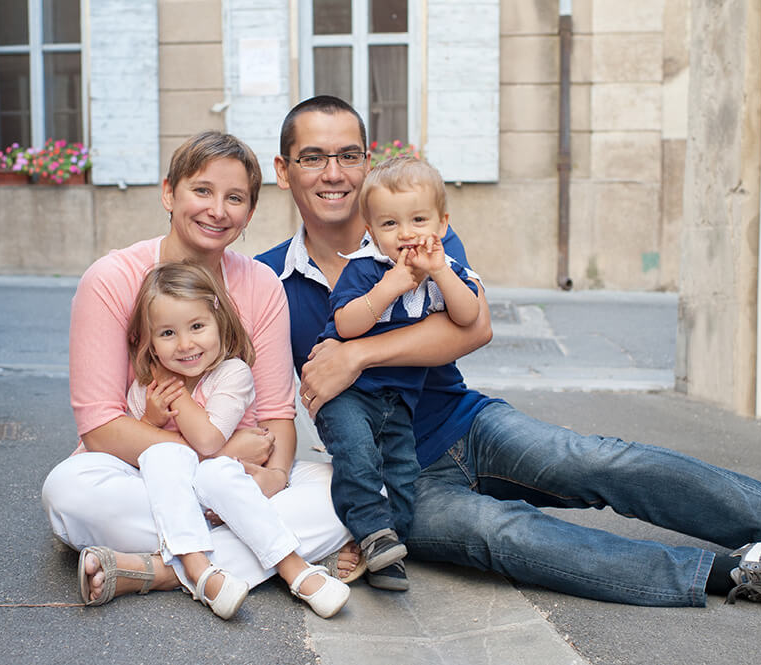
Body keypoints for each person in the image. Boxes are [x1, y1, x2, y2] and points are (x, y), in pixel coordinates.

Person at [257, 95, 761, 609]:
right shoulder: (265, 281)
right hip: (397, 477)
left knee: (596, 459)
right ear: (284, 171)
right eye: (313, 157)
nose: (334, 172)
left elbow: (471, 329)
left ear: (367, 164)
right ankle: (745, 570)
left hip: (466, 421)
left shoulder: (412, 227)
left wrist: (355, 356)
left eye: (348, 154)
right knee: (506, 535)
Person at [41, 130, 363, 619]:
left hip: (237, 477)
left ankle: (161, 570)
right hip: (139, 472)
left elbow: (277, 412)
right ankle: (265, 551)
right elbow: (101, 424)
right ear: (169, 193)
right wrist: (218, 451)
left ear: (250, 213)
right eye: (202, 191)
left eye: (235, 198)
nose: (218, 210)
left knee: (351, 489)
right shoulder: (111, 278)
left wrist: (273, 476)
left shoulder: (260, 284)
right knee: (68, 492)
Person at [120, 260, 349, 618]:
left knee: (219, 473)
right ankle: (200, 571)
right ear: (149, 343)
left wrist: (178, 397)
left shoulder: (231, 373)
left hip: (225, 492)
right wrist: (150, 419)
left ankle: (293, 568)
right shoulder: (145, 389)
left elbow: (209, 440)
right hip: (172, 499)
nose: (185, 344)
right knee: (161, 457)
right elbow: (133, 452)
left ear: (219, 323)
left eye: (197, 326)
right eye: (167, 334)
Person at [314, 156, 480, 591]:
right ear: (370, 231)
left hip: (400, 402)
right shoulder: (366, 268)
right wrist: (390, 286)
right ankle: (370, 533)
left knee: (403, 474)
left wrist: (441, 272)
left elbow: (469, 317)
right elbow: (347, 325)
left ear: (442, 225)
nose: (406, 234)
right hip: (348, 394)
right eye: (389, 225)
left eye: (419, 220)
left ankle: (389, 549)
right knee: (358, 459)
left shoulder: (443, 270)